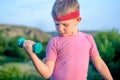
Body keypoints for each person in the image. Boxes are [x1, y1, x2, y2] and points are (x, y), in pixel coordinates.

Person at [23, 0, 113, 80]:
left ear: (77, 20)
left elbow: (100, 64)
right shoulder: (54, 42)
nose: (60, 29)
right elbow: (46, 74)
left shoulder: (88, 39)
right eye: (57, 24)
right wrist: (32, 54)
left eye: (65, 25)